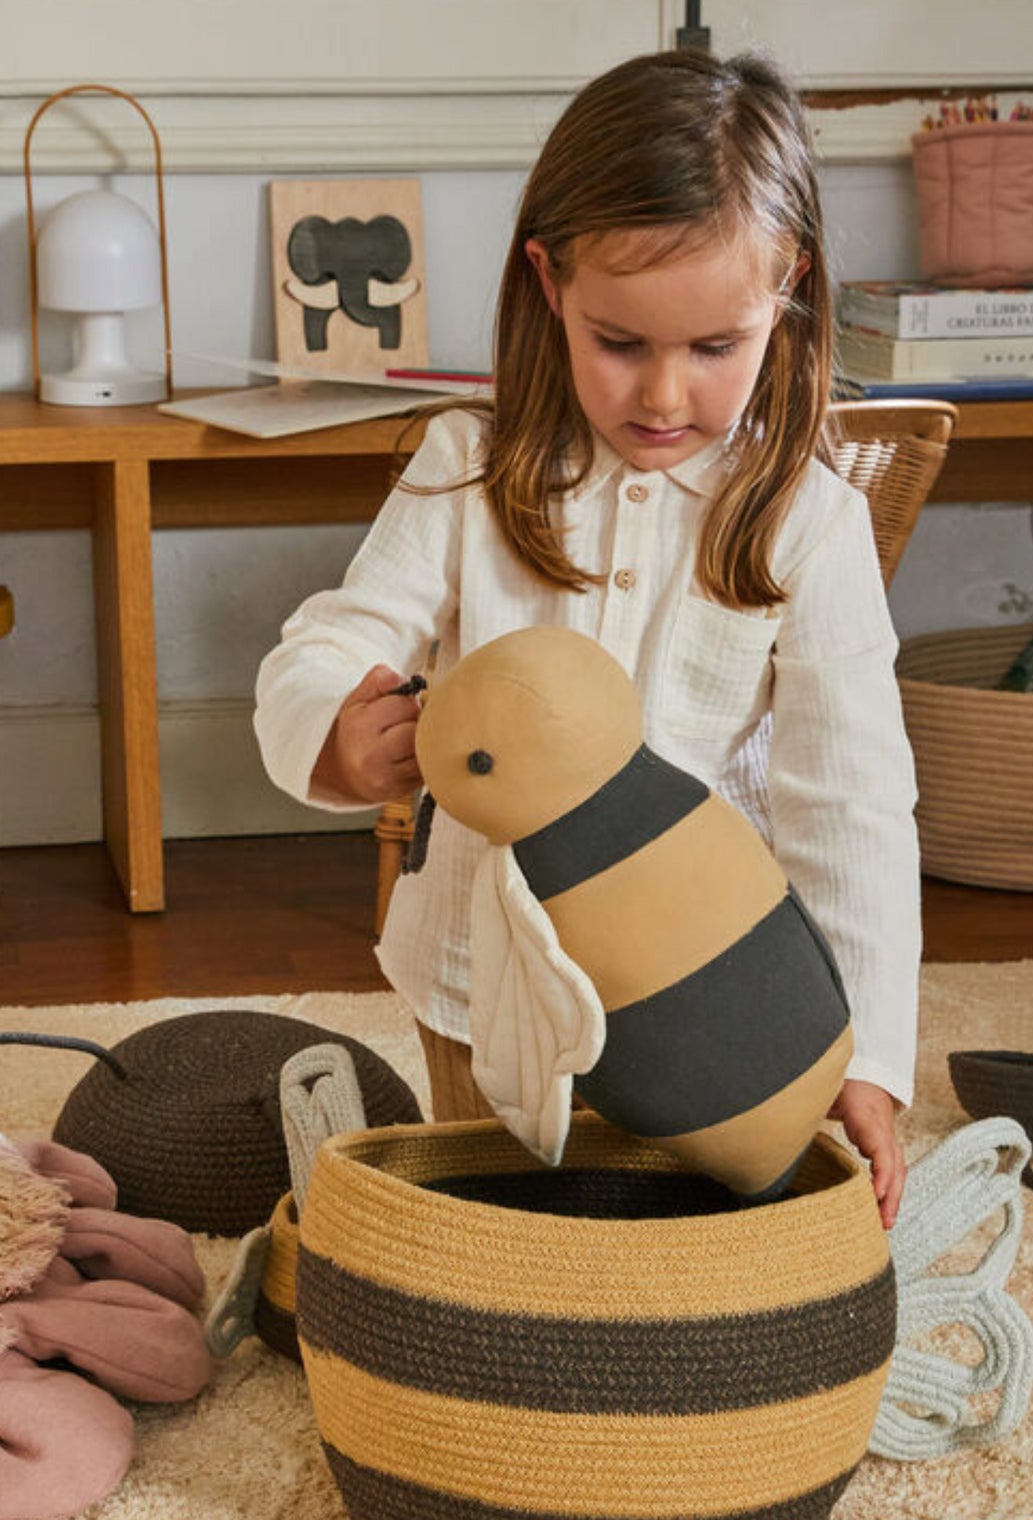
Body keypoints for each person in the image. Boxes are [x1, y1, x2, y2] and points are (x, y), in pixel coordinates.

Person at [255, 49, 919, 1228]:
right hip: (477, 979)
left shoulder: (812, 521)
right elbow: (329, 641)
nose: (664, 395)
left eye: (715, 348)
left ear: (787, 293)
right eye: (621, 342)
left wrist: (867, 1053)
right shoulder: (465, 467)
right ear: (547, 282)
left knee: (661, 1256)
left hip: (710, 1006)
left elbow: (850, 800)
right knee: (487, 1236)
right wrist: (335, 736)